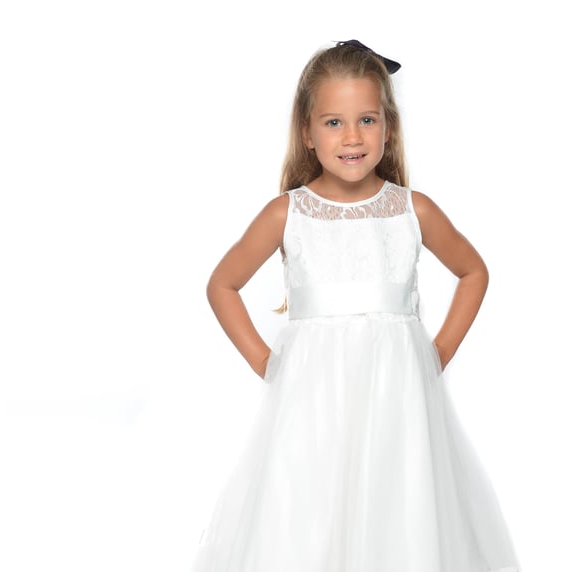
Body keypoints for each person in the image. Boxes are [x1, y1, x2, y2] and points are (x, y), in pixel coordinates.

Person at [190, 39, 522, 572]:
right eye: (334, 123)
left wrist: (436, 355)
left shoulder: (412, 210)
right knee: (308, 512)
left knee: (397, 510)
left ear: (389, 127)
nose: (352, 137)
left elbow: (473, 271)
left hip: (397, 401)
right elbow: (222, 285)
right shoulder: (287, 214)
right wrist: (269, 364)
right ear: (307, 132)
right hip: (312, 403)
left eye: (367, 120)